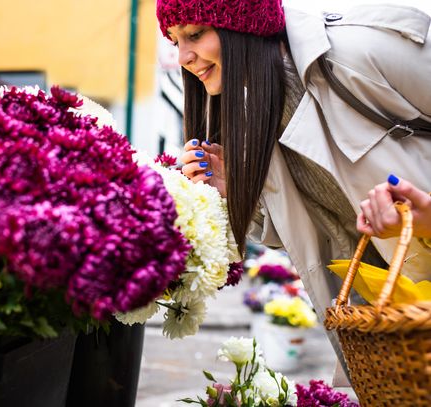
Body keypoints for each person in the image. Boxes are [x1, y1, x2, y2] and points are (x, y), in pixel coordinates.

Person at [156, 0, 431, 384]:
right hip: (388, 331)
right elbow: (319, 226)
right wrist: (235, 191)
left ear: (244, 22)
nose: (183, 56)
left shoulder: (360, 51)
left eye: (195, 33)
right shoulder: (255, 113)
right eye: (174, 41)